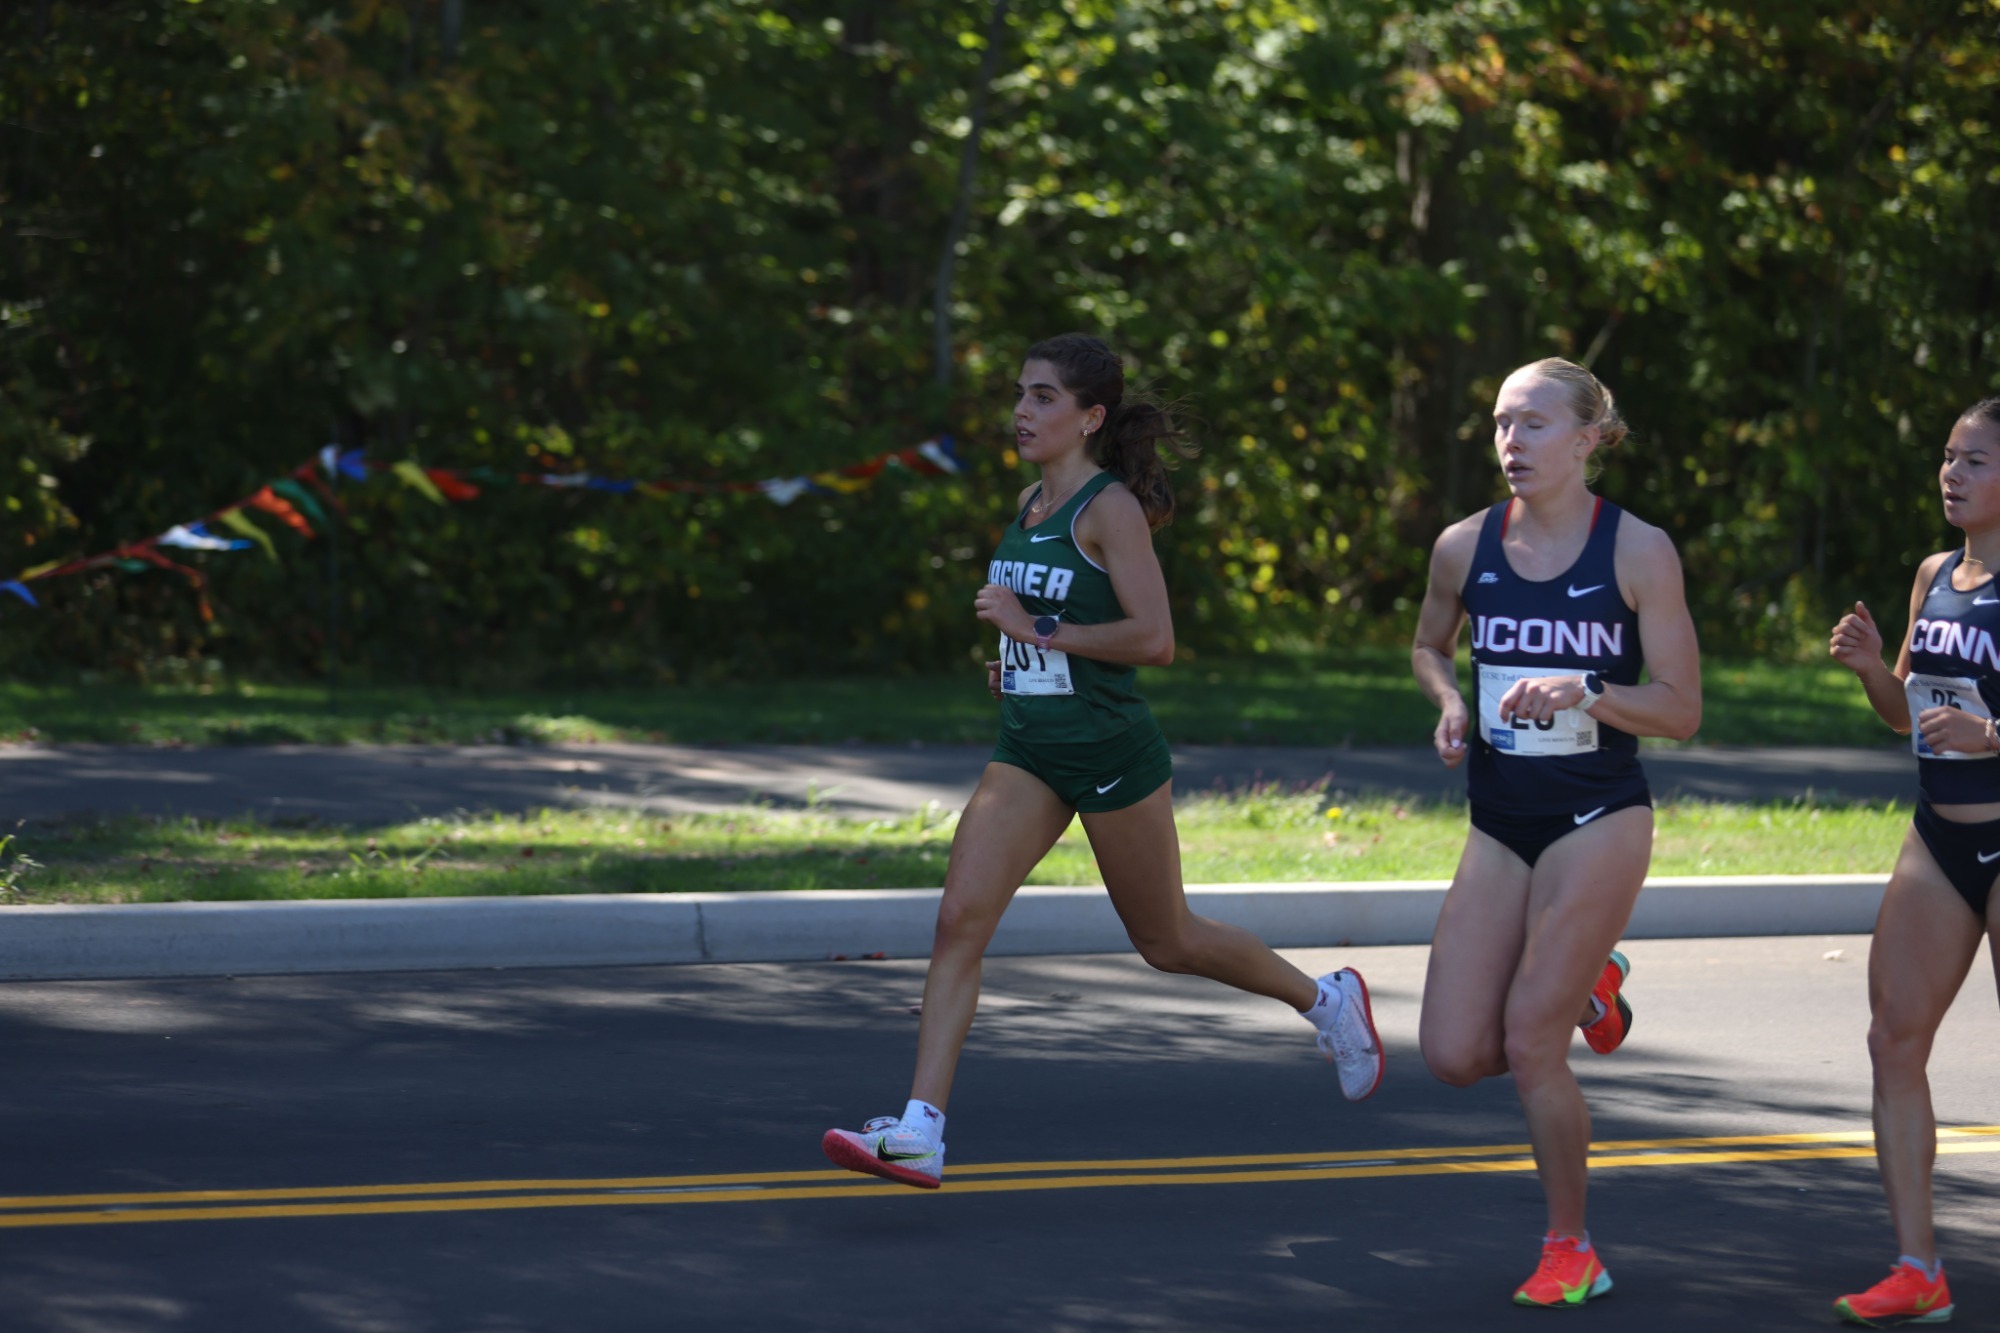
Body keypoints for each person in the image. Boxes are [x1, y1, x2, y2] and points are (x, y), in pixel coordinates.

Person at [822, 333, 1384, 1189]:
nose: (1022, 410)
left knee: (1168, 940)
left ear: (1090, 417)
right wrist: (1017, 663)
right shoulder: (1030, 502)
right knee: (958, 920)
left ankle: (1328, 1000)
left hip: (1109, 749)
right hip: (1030, 747)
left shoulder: (1108, 509)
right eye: (1021, 393)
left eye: (1044, 396)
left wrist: (1037, 631)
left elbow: (1154, 638)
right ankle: (920, 1129)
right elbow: (1048, 632)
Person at [1409, 357, 1701, 1307]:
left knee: (1531, 1042)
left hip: (1598, 815)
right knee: (1455, 1053)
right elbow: (1428, 644)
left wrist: (1589, 690)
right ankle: (1589, 986)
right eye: (1501, 423)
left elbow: (1681, 708)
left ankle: (1571, 1247)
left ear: (1586, 439)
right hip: (1500, 819)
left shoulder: (1638, 550)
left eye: (1533, 424)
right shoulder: (1463, 545)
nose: (1511, 441)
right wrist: (1450, 701)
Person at [1825, 396, 2000, 1328]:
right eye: (1948, 456)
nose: (1951, 473)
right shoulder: (1934, 573)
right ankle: (1917, 1268)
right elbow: (1906, 711)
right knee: (1893, 1038)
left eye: (1975, 460)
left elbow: (1974, 725)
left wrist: (1993, 735)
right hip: (1938, 834)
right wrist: (1869, 668)